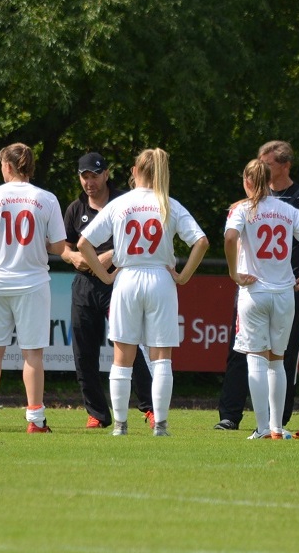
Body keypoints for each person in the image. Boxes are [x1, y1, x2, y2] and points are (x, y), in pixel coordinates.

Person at [78, 147, 209, 436]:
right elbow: (201, 242)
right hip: (160, 279)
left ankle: (121, 425)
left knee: (121, 356)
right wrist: (183, 276)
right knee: (162, 356)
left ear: (136, 170)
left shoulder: (121, 204)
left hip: (127, 277)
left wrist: (107, 276)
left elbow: (84, 244)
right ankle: (160, 425)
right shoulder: (169, 204)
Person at [215, 140, 299, 432]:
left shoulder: (243, 209)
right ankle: (276, 427)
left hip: (255, 291)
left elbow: (229, 238)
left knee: (255, 360)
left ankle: (261, 428)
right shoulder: (286, 209)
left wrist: (234, 272)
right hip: (284, 292)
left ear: (248, 181)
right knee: (277, 361)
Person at [0, 143, 67, 433]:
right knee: (32, 354)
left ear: (8, 167)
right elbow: (59, 246)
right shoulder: (46, 199)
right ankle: (35, 420)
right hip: (33, 282)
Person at [61, 152, 155, 429]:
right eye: (84, 176)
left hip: (118, 281)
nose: (89, 182)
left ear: (106, 174)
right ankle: (97, 414)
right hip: (84, 284)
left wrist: (112, 254)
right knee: (83, 351)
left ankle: (149, 407)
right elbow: (62, 245)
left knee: (126, 345)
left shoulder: (125, 202)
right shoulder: (75, 209)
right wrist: (73, 257)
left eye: (94, 175)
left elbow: (138, 238)